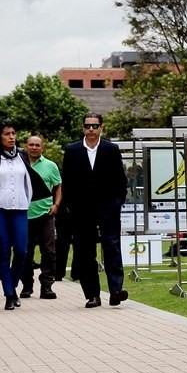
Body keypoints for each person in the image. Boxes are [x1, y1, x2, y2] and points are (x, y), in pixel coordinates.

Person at [0, 121, 51, 310]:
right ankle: (9, 295)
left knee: (21, 250)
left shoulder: (22, 155)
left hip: (20, 207)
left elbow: (30, 179)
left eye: (13, 133)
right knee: (3, 249)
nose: (11, 137)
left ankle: (11, 286)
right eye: (7, 134)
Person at [62, 113, 128, 308]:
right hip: (81, 210)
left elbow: (120, 179)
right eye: (87, 126)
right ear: (83, 128)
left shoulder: (111, 149)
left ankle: (116, 290)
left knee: (112, 248)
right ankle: (92, 294)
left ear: (101, 128)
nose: (91, 129)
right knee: (85, 251)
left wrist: (118, 202)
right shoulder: (72, 150)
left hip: (108, 208)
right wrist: (70, 206)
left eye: (95, 126)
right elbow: (67, 181)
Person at [19, 136, 62, 300]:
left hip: (46, 215)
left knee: (49, 252)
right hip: (24, 215)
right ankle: (26, 286)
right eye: (31, 145)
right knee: (25, 252)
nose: (34, 147)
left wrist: (56, 205)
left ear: (42, 147)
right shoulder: (19, 165)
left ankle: (47, 286)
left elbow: (58, 187)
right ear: (26, 146)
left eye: (37, 145)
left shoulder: (50, 166)